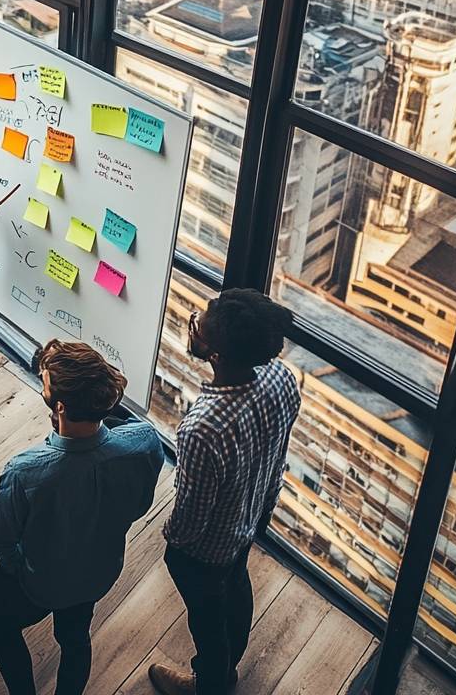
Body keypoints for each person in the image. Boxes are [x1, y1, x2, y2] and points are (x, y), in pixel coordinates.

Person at [0, 340, 165, 695]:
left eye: (45, 383)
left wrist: (23, 568)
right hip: (97, 575)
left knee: (2, 626)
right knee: (76, 639)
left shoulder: (25, 472)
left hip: (38, 582)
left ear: (60, 407)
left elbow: (2, 541)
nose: (42, 384)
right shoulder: (145, 442)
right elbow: (140, 506)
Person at [148, 289, 301, 695]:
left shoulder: (203, 427)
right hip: (251, 519)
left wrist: (173, 544)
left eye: (199, 324)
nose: (194, 318)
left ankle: (211, 681)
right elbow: (278, 452)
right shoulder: (281, 378)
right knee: (235, 584)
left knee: (206, 617)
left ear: (213, 355)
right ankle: (227, 665)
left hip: (207, 549)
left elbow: (192, 521)